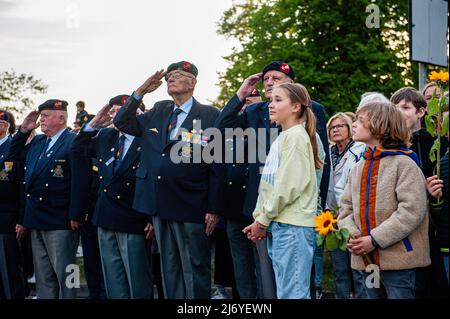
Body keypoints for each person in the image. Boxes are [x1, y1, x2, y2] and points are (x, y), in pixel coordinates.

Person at [215, 61, 329, 298]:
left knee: (292, 289)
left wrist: (316, 209)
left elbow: (307, 174)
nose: (268, 84)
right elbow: (223, 128)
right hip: (268, 213)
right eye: (266, 80)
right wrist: (241, 94)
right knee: (275, 284)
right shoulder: (263, 117)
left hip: (290, 216)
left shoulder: (300, 131)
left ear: (296, 104)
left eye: (276, 80)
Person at [114, 61, 224, 299]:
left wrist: (214, 209)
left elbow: (217, 165)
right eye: (169, 76)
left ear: (193, 82)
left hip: (192, 203)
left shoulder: (209, 115)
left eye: (177, 75)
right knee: (170, 268)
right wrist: (140, 91)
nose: (170, 79)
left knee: (195, 266)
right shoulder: (159, 109)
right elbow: (122, 122)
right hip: (160, 203)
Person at [338, 102, 430, 299]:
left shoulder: (405, 164)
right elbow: (345, 209)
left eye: (360, 121)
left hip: (399, 263)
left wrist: (374, 239)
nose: (354, 124)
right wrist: (355, 237)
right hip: (368, 261)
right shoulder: (358, 167)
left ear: (380, 126)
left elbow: (411, 211)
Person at [242, 83, 322, 298]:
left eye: (278, 100)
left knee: (293, 294)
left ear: (296, 106)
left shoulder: (295, 137)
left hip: (292, 228)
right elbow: (269, 185)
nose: (271, 105)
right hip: (281, 226)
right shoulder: (284, 137)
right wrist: (259, 217)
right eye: (271, 100)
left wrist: (263, 220)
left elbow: (288, 187)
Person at [72, 94, 154, 299]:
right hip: (105, 216)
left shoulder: (149, 138)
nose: (112, 116)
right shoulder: (106, 137)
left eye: (117, 111)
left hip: (134, 218)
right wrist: (94, 123)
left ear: (135, 113)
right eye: (111, 112)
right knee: (113, 279)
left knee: (137, 279)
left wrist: (152, 217)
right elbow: (77, 148)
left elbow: (155, 181)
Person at [7, 100, 80, 299]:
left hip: (60, 219)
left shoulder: (73, 141)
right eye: (42, 116)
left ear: (62, 118)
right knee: (44, 277)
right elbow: (12, 155)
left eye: (46, 115)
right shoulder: (38, 142)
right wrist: (23, 130)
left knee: (66, 273)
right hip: (36, 217)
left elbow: (80, 181)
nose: (42, 120)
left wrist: (76, 213)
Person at [391, 87, 449, 298]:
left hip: (432, 228)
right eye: (394, 108)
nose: (398, 112)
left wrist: (434, 193)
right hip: (402, 227)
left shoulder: (436, 142)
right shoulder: (390, 146)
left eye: (405, 107)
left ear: (422, 112)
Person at [325, 112, 366, 299]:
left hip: (353, 215)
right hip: (331, 217)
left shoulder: (359, 150)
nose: (335, 129)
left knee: (359, 268)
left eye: (340, 125)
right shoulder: (327, 152)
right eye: (332, 127)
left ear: (350, 128)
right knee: (339, 268)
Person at [0, 110, 26, 299]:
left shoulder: (14, 147)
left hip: (7, 218)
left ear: (8, 125)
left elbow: (21, 187)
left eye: (2, 121)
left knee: (9, 267)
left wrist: (21, 218)